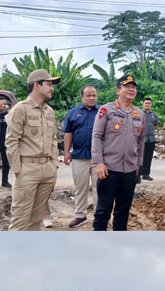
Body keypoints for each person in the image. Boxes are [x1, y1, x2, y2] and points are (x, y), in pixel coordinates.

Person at [5, 69, 60, 231]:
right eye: (49, 84)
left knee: (36, 220)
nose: (52, 88)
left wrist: (54, 164)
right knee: (20, 220)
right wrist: (18, 171)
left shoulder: (49, 111)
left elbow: (54, 140)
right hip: (27, 170)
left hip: (48, 170)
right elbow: (11, 141)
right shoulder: (20, 109)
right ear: (37, 85)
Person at [90, 73, 144, 231]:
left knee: (123, 211)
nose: (131, 89)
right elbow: (97, 136)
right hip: (109, 169)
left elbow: (141, 142)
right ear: (118, 90)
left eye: (133, 87)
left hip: (129, 171)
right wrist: (99, 162)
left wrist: (138, 165)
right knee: (103, 211)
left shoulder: (139, 114)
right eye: (127, 86)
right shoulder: (106, 110)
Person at [62, 85, 100, 227]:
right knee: (80, 187)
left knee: (100, 188)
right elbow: (68, 133)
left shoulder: (103, 112)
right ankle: (80, 215)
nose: (91, 98)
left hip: (99, 159)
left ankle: (99, 216)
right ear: (82, 97)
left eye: (94, 95)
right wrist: (66, 152)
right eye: (88, 95)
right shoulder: (73, 113)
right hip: (78, 156)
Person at [139, 96, 158, 181]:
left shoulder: (154, 115)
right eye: (146, 103)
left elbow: (155, 126)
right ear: (143, 104)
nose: (147, 104)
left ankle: (146, 174)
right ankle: (137, 175)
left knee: (148, 157)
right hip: (141, 139)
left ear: (151, 104)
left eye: (149, 103)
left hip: (151, 139)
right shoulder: (139, 113)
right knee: (140, 157)